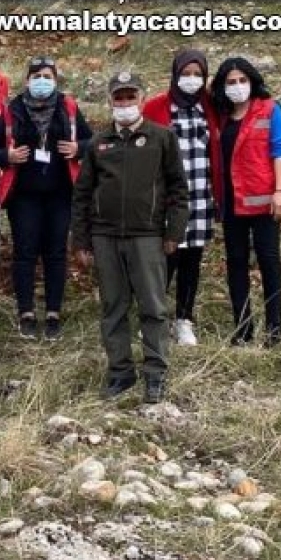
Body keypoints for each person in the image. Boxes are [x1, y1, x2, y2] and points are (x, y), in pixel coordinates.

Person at [71, 71, 189, 403]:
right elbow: (82, 194)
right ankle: (120, 372)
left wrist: (174, 232)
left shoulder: (162, 138)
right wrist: (80, 241)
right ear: (110, 101)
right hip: (105, 237)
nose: (124, 103)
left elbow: (179, 190)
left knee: (153, 307)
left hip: (148, 236)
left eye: (130, 97)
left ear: (142, 98)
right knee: (113, 307)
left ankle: (155, 373)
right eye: (118, 98)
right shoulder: (98, 143)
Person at [0, 56, 92, 341]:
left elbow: (91, 140)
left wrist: (78, 148)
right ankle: (26, 313)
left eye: (47, 76)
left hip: (60, 193)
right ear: (27, 80)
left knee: (56, 252)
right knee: (25, 252)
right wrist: (6, 156)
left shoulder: (68, 107)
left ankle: (54, 313)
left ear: (55, 80)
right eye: (36, 76)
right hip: (23, 195)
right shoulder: (13, 109)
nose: (42, 81)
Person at [209, 57, 281, 347]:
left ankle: (275, 330)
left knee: (269, 261)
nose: (237, 86)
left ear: (252, 81)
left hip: (265, 202)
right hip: (233, 203)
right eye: (231, 82)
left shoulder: (270, 109)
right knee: (236, 263)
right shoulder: (222, 114)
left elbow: (280, 149)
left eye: (242, 80)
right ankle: (243, 329)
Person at [141, 49, 219, 346]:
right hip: (169, 198)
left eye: (198, 74)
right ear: (175, 75)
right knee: (165, 259)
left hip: (200, 196)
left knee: (191, 260)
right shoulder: (157, 106)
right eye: (186, 74)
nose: (192, 79)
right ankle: (154, 317)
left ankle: (184, 319)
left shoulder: (210, 106)